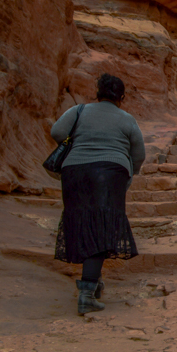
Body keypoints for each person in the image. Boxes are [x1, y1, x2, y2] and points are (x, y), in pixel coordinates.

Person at [51, 73, 145, 315]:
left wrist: (80, 142)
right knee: (102, 225)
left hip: (75, 171)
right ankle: (87, 293)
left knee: (82, 221)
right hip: (111, 173)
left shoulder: (79, 111)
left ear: (98, 93)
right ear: (121, 97)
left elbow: (57, 132)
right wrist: (129, 172)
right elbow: (139, 153)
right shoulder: (127, 119)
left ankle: (92, 280)